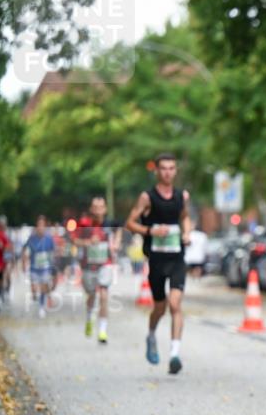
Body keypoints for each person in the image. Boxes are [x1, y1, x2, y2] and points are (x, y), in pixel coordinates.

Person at [125, 152, 192, 374]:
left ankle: (174, 354)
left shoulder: (182, 196)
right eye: (163, 168)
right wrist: (150, 230)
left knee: (175, 304)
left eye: (172, 168)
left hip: (176, 258)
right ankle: (151, 335)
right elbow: (130, 223)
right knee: (160, 308)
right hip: (156, 259)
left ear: (176, 171)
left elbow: (184, 217)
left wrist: (187, 233)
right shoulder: (148, 197)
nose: (168, 172)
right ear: (157, 171)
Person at [75, 197, 122, 343]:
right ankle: (89, 317)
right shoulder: (84, 224)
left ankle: (102, 330)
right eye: (95, 207)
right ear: (91, 209)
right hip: (89, 266)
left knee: (103, 295)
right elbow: (75, 240)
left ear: (105, 209)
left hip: (105, 264)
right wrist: (88, 242)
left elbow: (119, 229)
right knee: (91, 295)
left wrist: (116, 243)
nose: (98, 210)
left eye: (101, 207)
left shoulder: (110, 224)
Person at [22, 215, 56, 318]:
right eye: (39, 225)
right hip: (34, 267)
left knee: (43, 287)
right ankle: (36, 295)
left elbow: (53, 252)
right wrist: (24, 262)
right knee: (34, 289)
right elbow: (25, 249)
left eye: (42, 225)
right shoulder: (32, 238)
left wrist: (53, 267)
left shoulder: (49, 238)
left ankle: (42, 306)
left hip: (45, 267)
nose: (40, 227)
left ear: (45, 226)